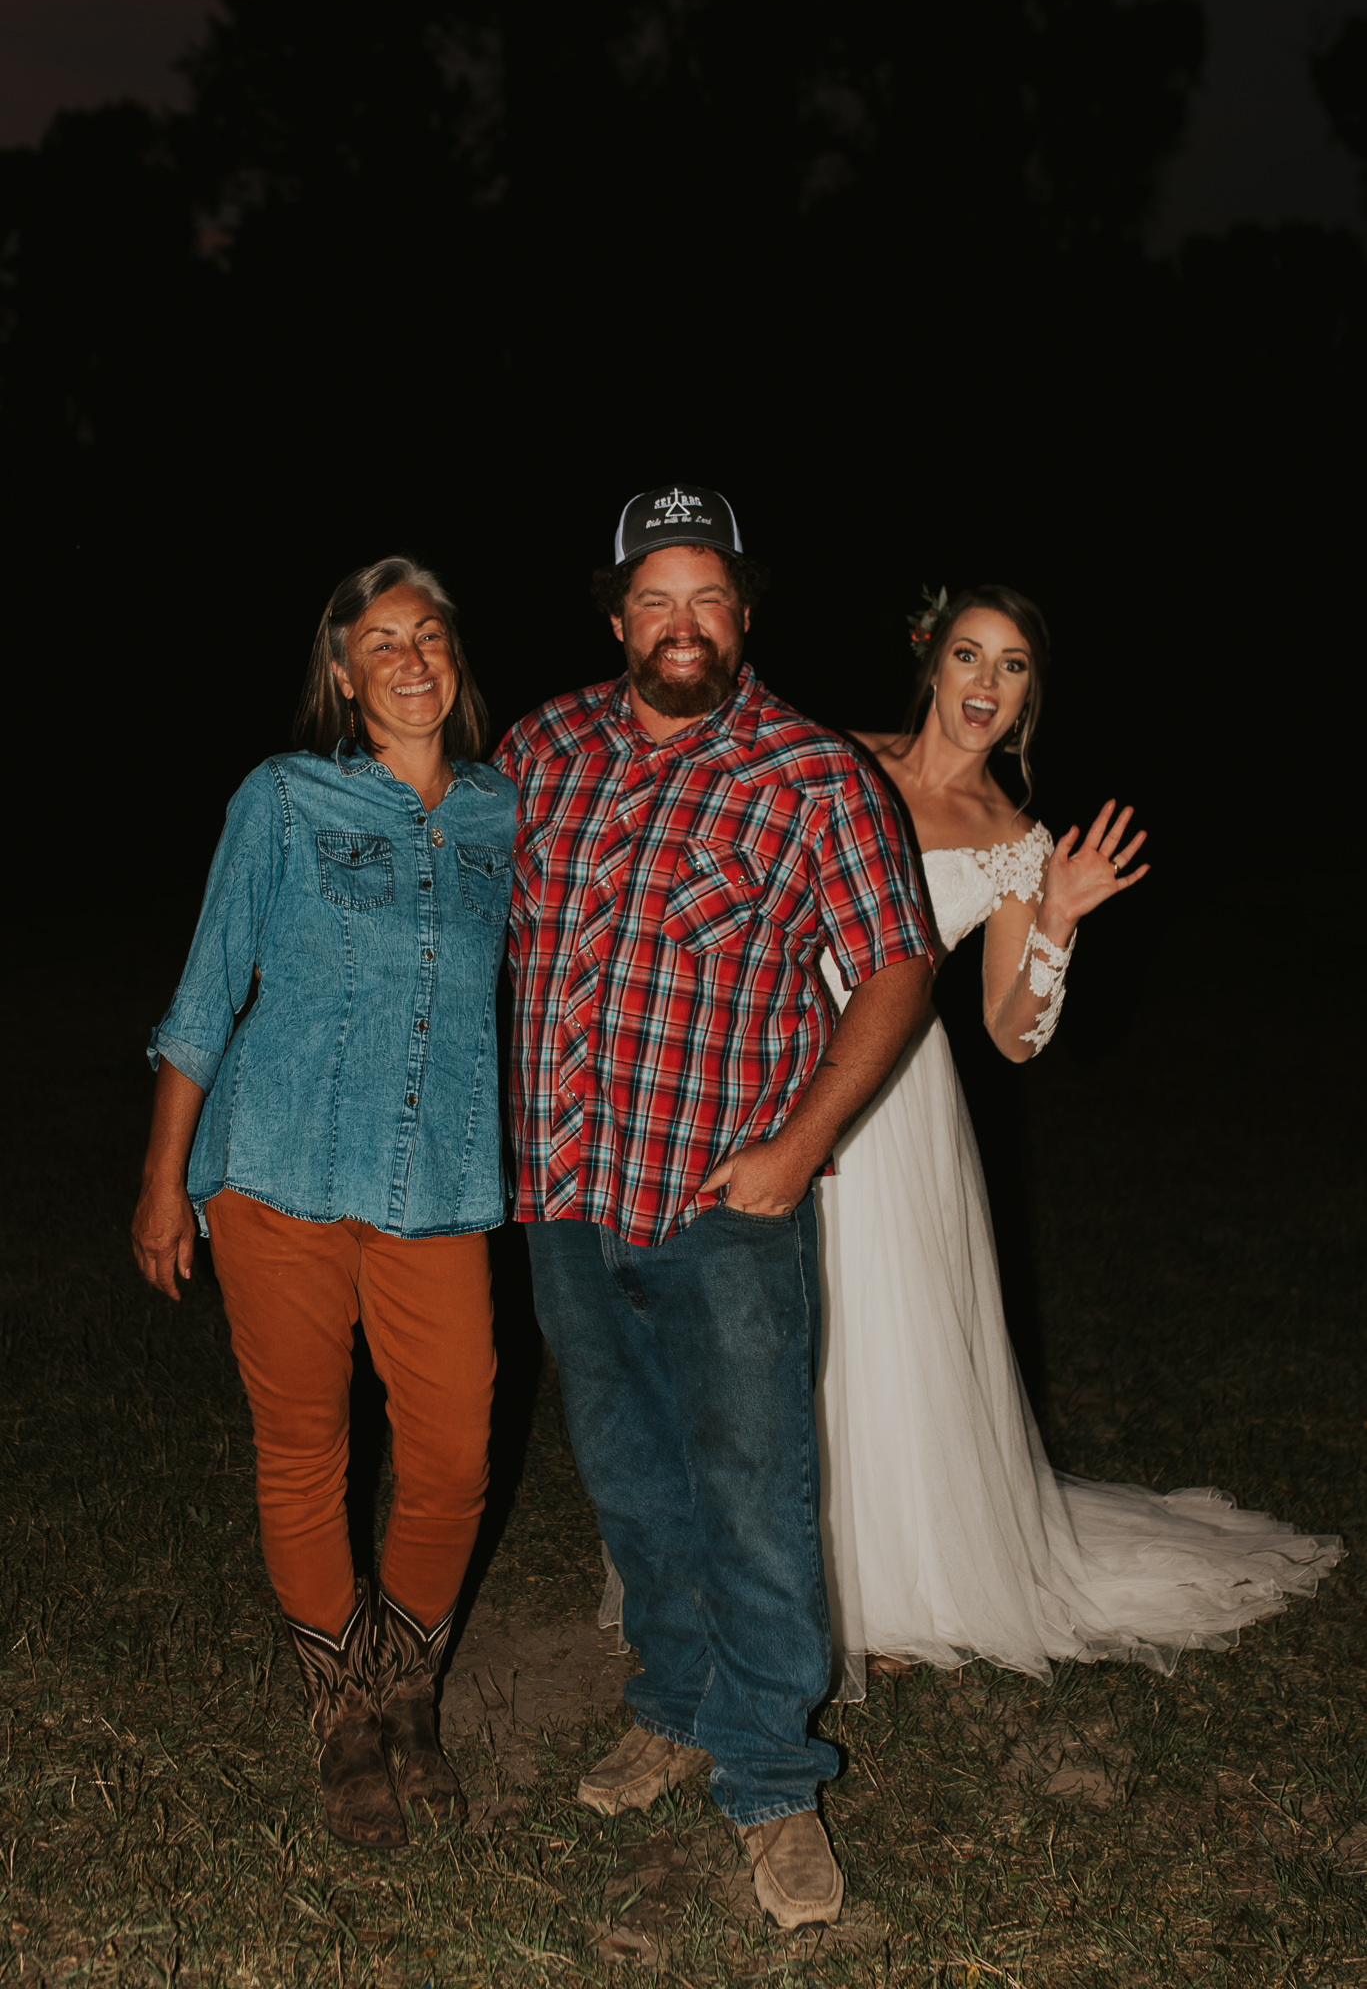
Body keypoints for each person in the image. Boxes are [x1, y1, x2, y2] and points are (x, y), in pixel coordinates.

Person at [492, 487, 933, 1928]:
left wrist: (799, 1146)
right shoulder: (540, 750)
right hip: (564, 1189)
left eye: (707, 599)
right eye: (653, 600)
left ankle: (770, 1776)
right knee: (629, 1477)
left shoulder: (810, 775)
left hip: (722, 1201)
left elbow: (895, 966)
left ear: (743, 615)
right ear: (616, 615)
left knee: (752, 1493)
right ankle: (674, 1705)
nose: (680, 626)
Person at [817, 583, 1342, 1696]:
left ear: (1028, 695)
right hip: (774, 1058)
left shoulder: (1015, 841)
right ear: (930, 661)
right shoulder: (835, 759)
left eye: (1011, 666)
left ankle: (887, 1583)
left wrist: (1054, 918)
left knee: (880, 1332)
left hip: (895, 1099)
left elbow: (1010, 1035)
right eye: (969, 654)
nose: (985, 683)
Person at [131, 557, 516, 1847]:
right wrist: (162, 1182)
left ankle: (407, 1684)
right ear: (342, 676)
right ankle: (347, 1720)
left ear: (454, 658)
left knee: (453, 1451)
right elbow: (206, 991)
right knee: (304, 1446)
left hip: (440, 1176)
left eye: (429, 634)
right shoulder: (284, 796)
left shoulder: (502, 813)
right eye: (380, 641)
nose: (410, 658)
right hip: (279, 1163)